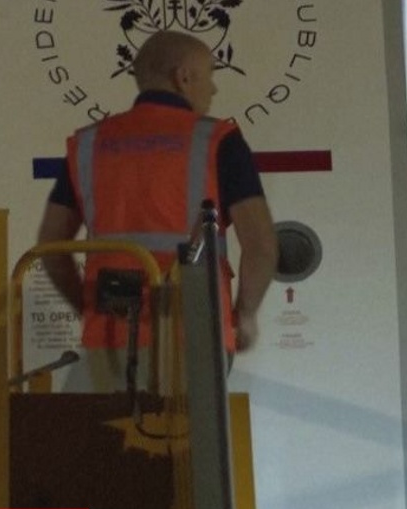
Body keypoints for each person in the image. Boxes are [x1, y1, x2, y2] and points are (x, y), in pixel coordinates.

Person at [36, 30, 278, 391]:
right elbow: (260, 244)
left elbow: (51, 247)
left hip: (110, 339)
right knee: (190, 430)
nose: (213, 89)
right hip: (196, 333)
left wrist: (89, 310)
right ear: (183, 77)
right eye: (210, 75)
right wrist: (245, 315)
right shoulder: (218, 140)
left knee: (115, 428)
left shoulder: (89, 143)